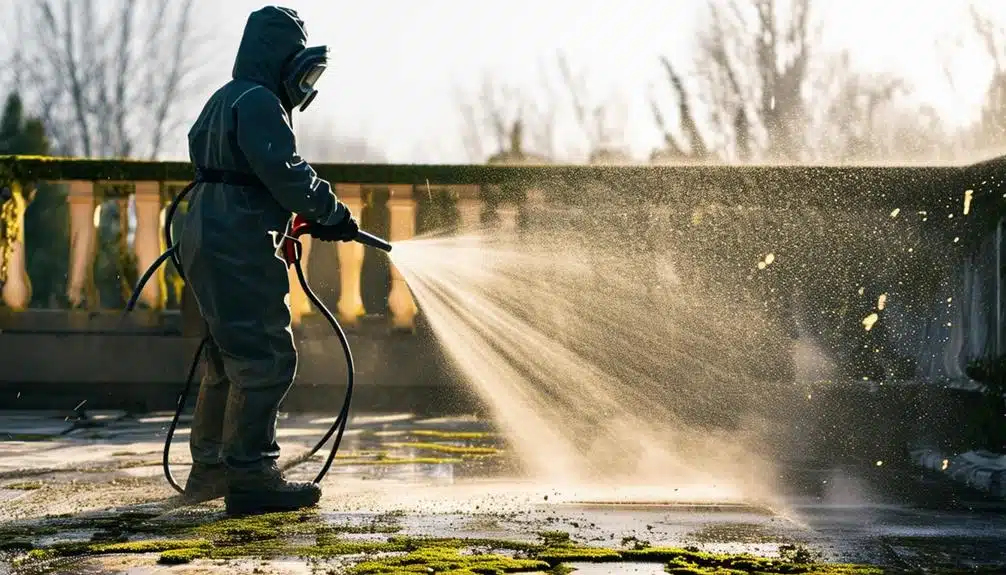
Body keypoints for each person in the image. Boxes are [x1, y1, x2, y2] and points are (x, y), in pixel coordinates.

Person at [176, 6, 359, 516]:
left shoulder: (224, 98)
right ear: (281, 58)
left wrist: (287, 213)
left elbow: (241, 171)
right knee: (267, 358)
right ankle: (252, 472)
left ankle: (210, 467)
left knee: (225, 356)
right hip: (237, 238)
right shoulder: (260, 102)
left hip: (206, 230)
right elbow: (285, 170)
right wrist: (331, 210)